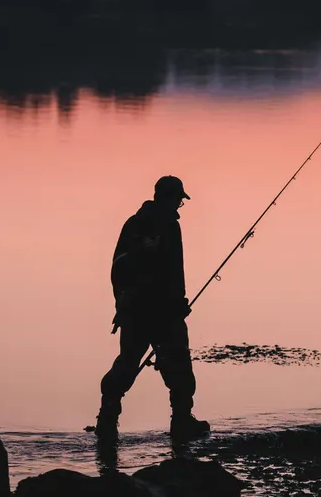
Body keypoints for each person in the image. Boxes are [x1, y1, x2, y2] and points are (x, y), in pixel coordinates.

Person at [95, 175, 211, 442]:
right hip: (163, 313)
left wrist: (121, 305)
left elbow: (117, 268)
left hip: (133, 311)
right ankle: (181, 423)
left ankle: (106, 420)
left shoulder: (133, 223)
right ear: (170, 198)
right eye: (179, 200)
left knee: (126, 363)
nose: (179, 206)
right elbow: (171, 272)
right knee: (179, 368)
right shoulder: (169, 227)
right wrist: (178, 304)